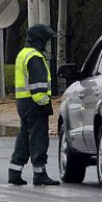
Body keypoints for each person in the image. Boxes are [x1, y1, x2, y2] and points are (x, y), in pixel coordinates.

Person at [8, 24, 60, 186]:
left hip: (23, 103)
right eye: (46, 39)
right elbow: (38, 87)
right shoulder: (35, 57)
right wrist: (45, 104)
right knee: (38, 139)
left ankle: (15, 171)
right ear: (39, 39)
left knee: (24, 138)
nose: (47, 43)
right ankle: (40, 174)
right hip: (35, 104)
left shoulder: (23, 54)